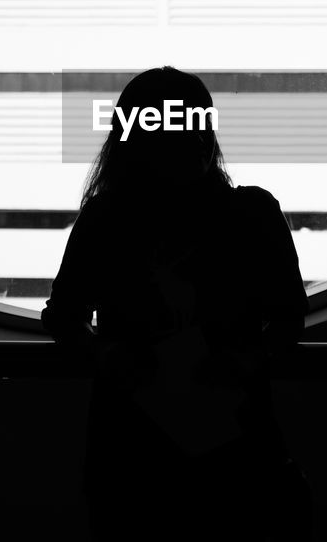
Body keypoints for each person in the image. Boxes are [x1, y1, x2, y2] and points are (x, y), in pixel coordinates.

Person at [40, 66, 312, 542]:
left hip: (132, 454)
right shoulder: (252, 215)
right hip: (239, 451)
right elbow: (289, 317)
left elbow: (64, 318)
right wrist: (246, 360)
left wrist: (110, 358)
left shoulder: (106, 220)